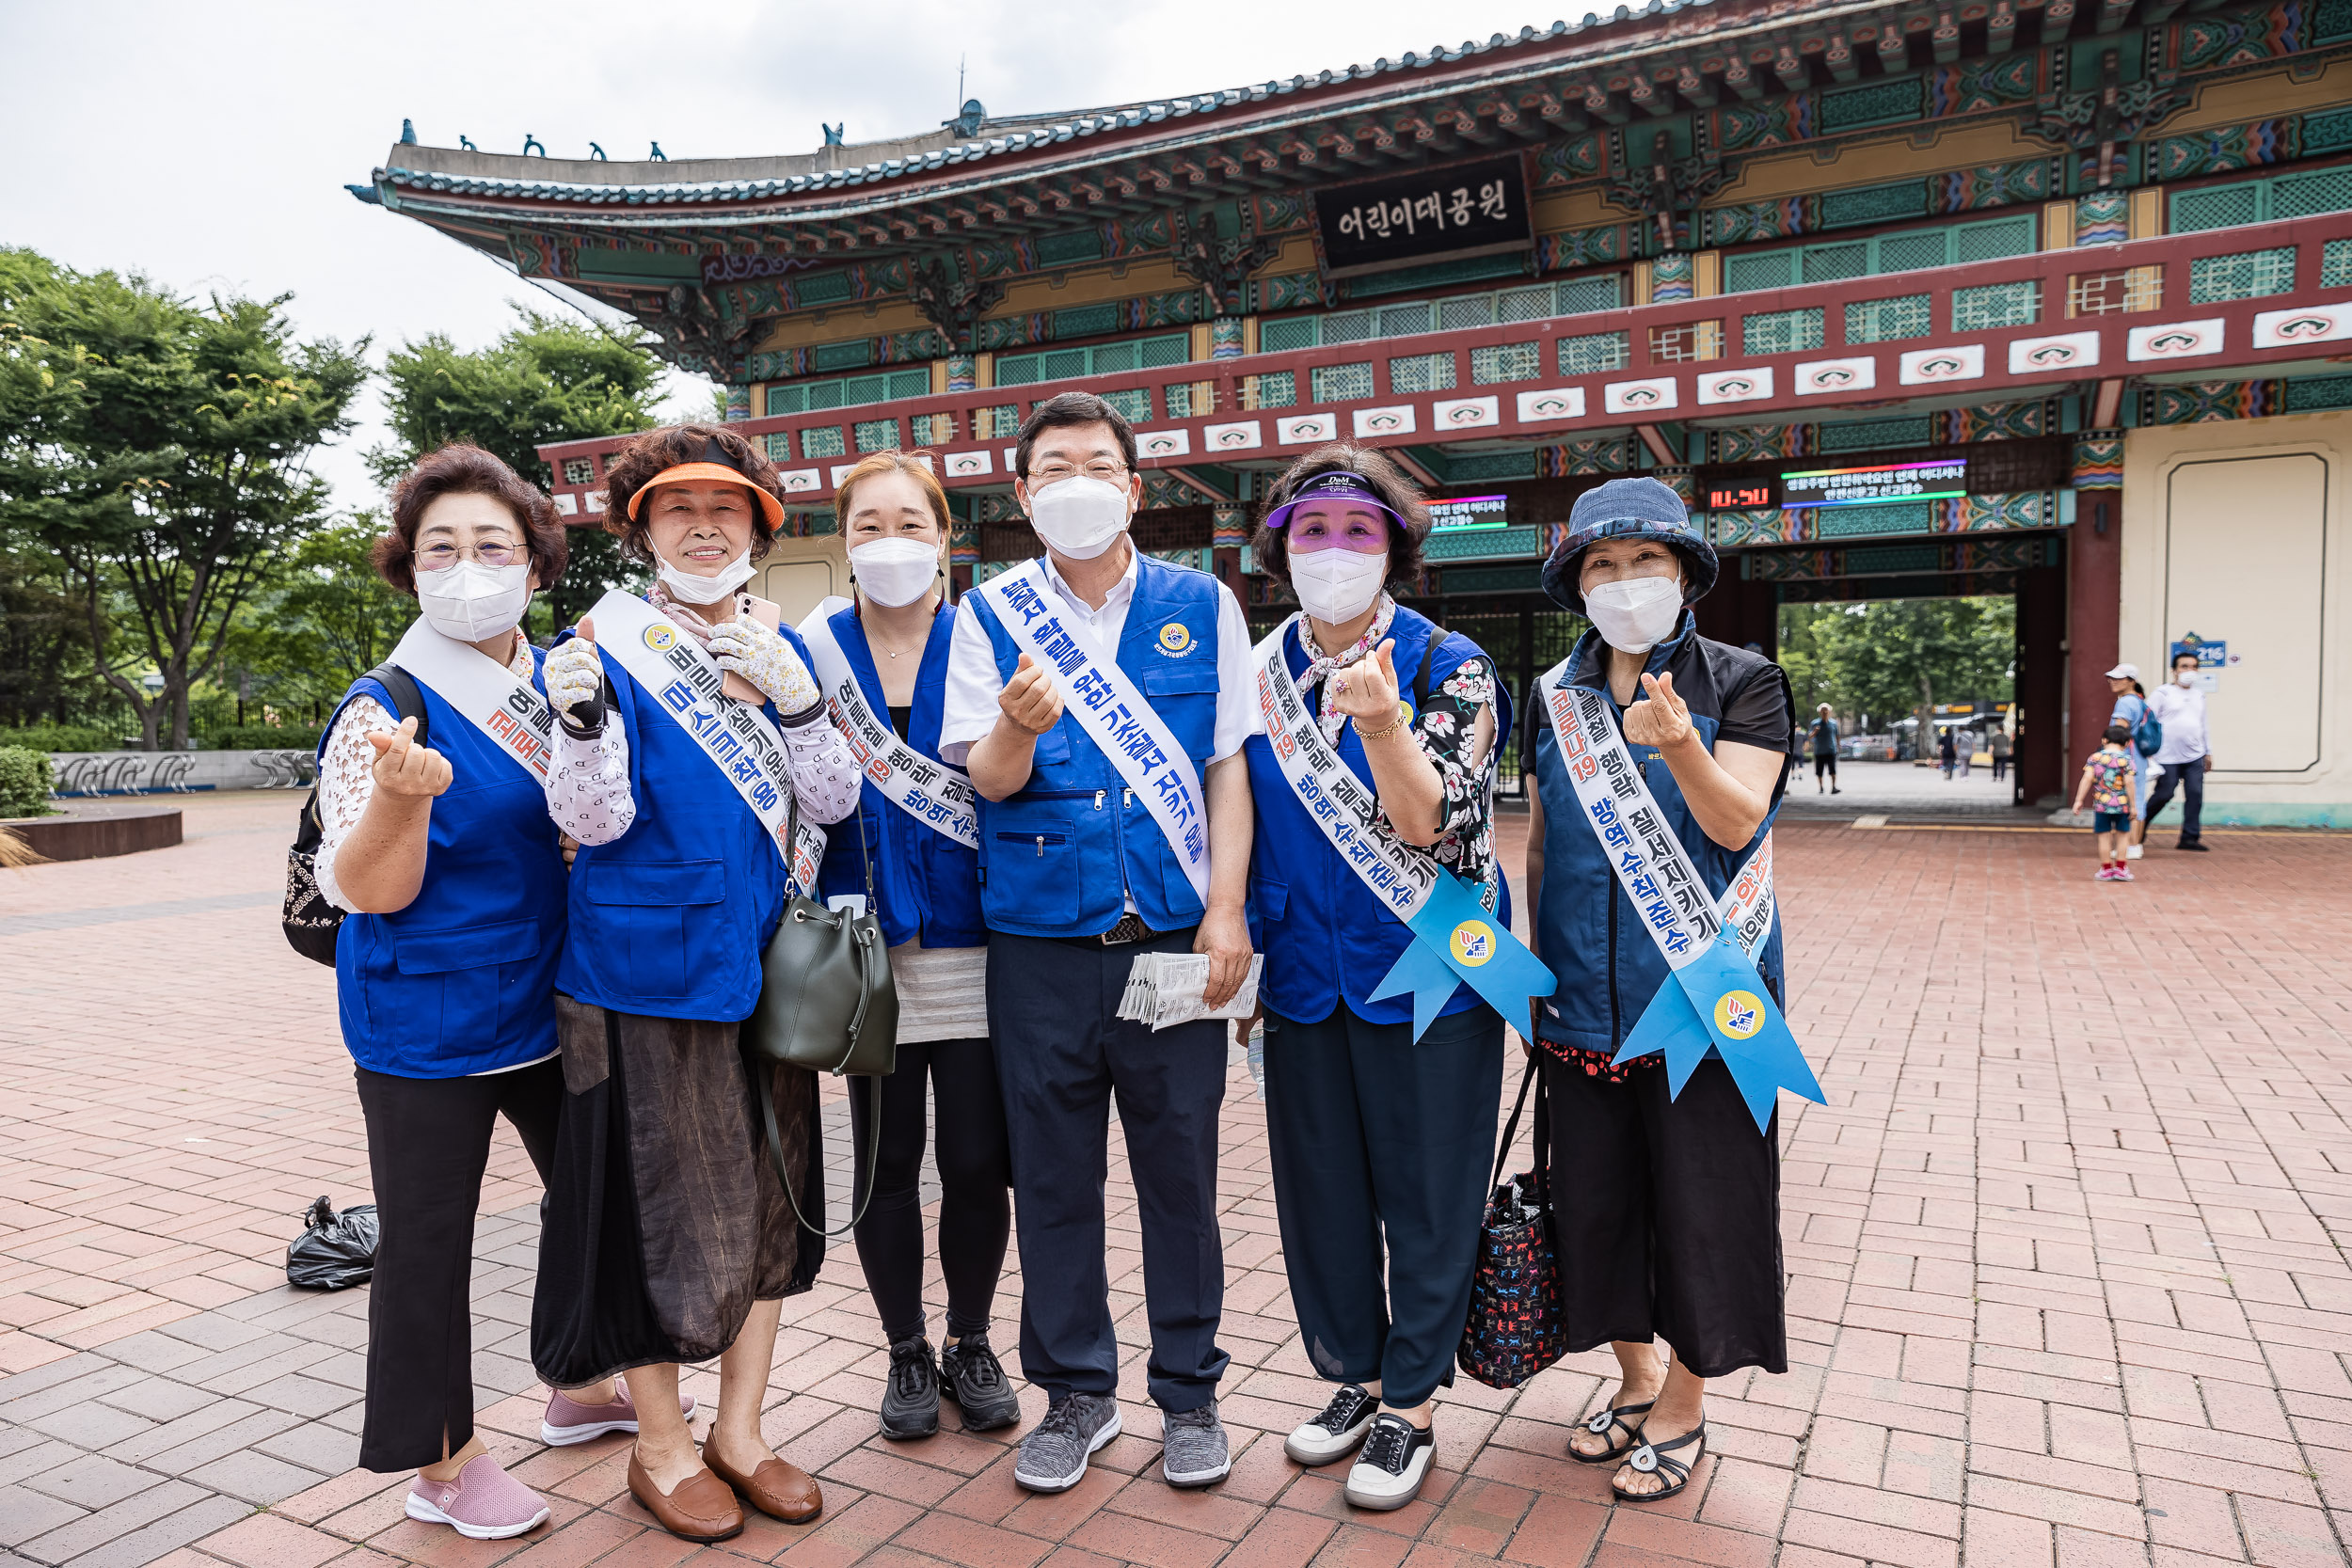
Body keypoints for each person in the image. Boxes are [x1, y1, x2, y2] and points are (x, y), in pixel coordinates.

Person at [320, 445, 685, 1541]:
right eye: (441, 546)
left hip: (550, 1002)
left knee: (594, 1203)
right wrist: (400, 800)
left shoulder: (560, 683)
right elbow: (367, 890)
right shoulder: (384, 707)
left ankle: (578, 1384)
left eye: (493, 546)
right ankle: (441, 1459)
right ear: (407, 567)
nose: (466, 565)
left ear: (535, 570)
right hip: (424, 1020)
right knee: (429, 1240)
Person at [530, 424, 863, 1544]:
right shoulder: (598, 646)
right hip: (637, 973)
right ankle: (661, 1448)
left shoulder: (784, 641)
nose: (705, 524)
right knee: (653, 1212)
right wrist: (576, 719)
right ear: (641, 528)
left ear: (762, 532)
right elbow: (591, 820)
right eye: (679, 509)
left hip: (767, 968)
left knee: (771, 1201)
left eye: (729, 508)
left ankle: (744, 1430)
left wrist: (804, 703)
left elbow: (834, 803)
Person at [939, 390, 1255, 1496]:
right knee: (1055, 1178)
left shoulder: (1201, 601)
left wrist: (1225, 908)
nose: (1078, 481)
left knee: (1181, 1175)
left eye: (1099, 462)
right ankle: (1075, 1390)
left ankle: (1189, 1391)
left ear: (1134, 485)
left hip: (1170, 935)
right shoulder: (987, 613)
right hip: (1039, 946)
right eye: (1053, 467)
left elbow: (1226, 765)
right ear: (1023, 496)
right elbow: (983, 779)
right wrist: (1017, 727)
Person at [1240, 450, 1511, 1511]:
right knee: (1322, 1192)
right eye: (1314, 531)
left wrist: (1380, 720)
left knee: (1428, 1195)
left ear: (1395, 547)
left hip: (1430, 977)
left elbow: (1429, 819)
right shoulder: (1257, 671)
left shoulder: (1450, 663)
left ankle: (1412, 1405)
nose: (1335, 551)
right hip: (1303, 971)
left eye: (1360, 532)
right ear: (1280, 547)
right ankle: (1350, 1376)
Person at [1521, 477, 1796, 1504]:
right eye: (1602, 565)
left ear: (1684, 574)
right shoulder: (1556, 693)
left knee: (1702, 1207)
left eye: (1646, 562)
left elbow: (1736, 824)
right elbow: (1545, 840)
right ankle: (1633, 1376)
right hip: (1580, 1005)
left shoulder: (1745, 679)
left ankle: (1684, 1396)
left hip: (1704, 1005)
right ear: (1576, 585)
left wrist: (1679, 741)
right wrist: (1532, 981)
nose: (1625, 583)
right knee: (1598, 1204)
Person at [798, 452, 1021, 1441]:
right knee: (887, 1162)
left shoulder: (985, 637)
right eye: (866, 525)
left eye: (909, 522)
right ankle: (904, 1347)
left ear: (943, 535)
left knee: (977, 1160)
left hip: (975, 937)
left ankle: (972, 1339)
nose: (889, 541)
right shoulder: (810, 648)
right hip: (862, 948)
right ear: (844, 543)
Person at [2143, 651, 2212, 851]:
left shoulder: (2199, 695)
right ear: (2174, 671)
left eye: (2193, 667)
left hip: (2195, 754)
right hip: (2166, 755)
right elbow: (2147, 722)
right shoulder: (2162, 693)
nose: (2189, 671)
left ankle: (2189, 838)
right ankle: (2138, 826)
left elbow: (2203, 724)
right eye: (2184, 666)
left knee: (2195, 794)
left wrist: (2208, 751)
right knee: (2164, 793)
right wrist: (2148, 752)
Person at [2073, 723, 2141, 881]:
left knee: (2104, 836)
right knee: (2123, 836)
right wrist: (2133, 806)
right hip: (2123, 805)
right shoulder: (2127, 760)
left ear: (2104, 740)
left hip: (2102, 805)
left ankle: (2106, 869)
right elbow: (2130, 782)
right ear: (2126, 743)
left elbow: (2087, 778)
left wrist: (2079, 800)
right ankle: (2121, 869)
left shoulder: (2095, 758)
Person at [2105, 664, 2153, 859]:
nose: (2112, 681)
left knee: (2128, 801)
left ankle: (2130, 845)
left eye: (2119, 678)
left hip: (2125, 758)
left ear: (2131, 681)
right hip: (2138, 757)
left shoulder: (2125, 703)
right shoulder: (2140, 701)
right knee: (2138, 799)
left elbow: (2119, 733)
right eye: (2111, 678)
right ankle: (2135, 845)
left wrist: (2109, 757)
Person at [1807, 704, 1839, 795]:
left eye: (1826, 710)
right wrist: (1815, 731)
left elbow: (1837, 735)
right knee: (1819, 771)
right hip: (1819, 751)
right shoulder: (1815, 723)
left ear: (1829, 711)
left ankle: (1833, 787)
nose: (1825, 712)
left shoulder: (1834, 723)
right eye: (1823, 710)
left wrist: (1838, 746)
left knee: (1832, 770)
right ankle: (1821, 787)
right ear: (1819, 712)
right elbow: (1809, 737)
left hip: (1831, 750)